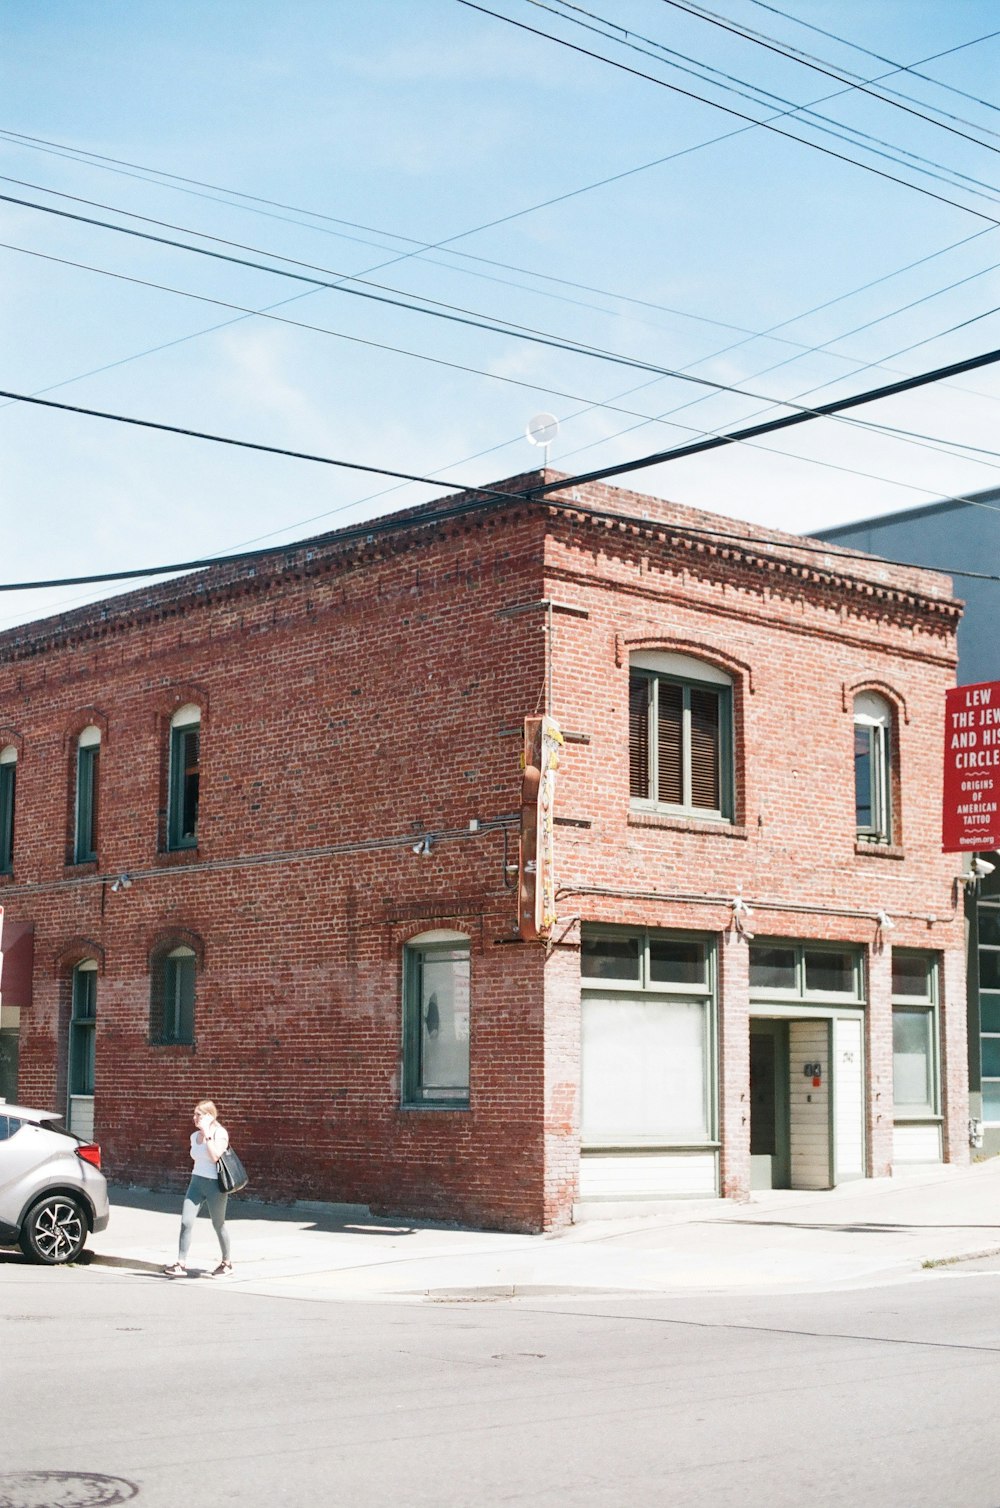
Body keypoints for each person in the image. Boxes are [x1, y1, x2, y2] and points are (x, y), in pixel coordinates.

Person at [163, 1100, 233, 1278]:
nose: (194, 1118)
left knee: (218, 1224)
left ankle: (227, 1263)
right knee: (186, 1222)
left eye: (198, 1115)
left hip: (215, 1186)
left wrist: (208, 1134)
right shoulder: (194, 1136)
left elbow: (215, 1157)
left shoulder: (220, 1133)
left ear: (209, 1116)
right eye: (194, 1114)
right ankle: (181, 1263)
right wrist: (202, 1134)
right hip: (196, 1182)